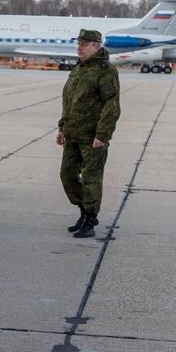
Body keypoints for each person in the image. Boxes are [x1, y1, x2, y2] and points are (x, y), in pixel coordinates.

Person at [57, 29, 120, 239]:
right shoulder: (79, 69)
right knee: (67, 175)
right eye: (78, 44)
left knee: (91, 179)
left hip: (92, 137)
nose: (79, 48)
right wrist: (61, 127)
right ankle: (83, 212)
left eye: (84, 44)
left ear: (96, 46)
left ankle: (90, 219)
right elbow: (68, 100)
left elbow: (111, 105)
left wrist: (102, 135)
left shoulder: (105, 70)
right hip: (73, 134)